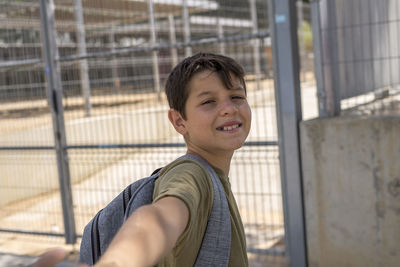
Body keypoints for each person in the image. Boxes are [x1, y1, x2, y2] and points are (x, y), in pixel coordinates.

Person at [32, 52, 251, 267]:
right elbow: (158, 221)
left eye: (237, 97)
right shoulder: (191, 174)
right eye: (209, 102)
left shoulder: (213, 177)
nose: (229, 109)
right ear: (178, 121)